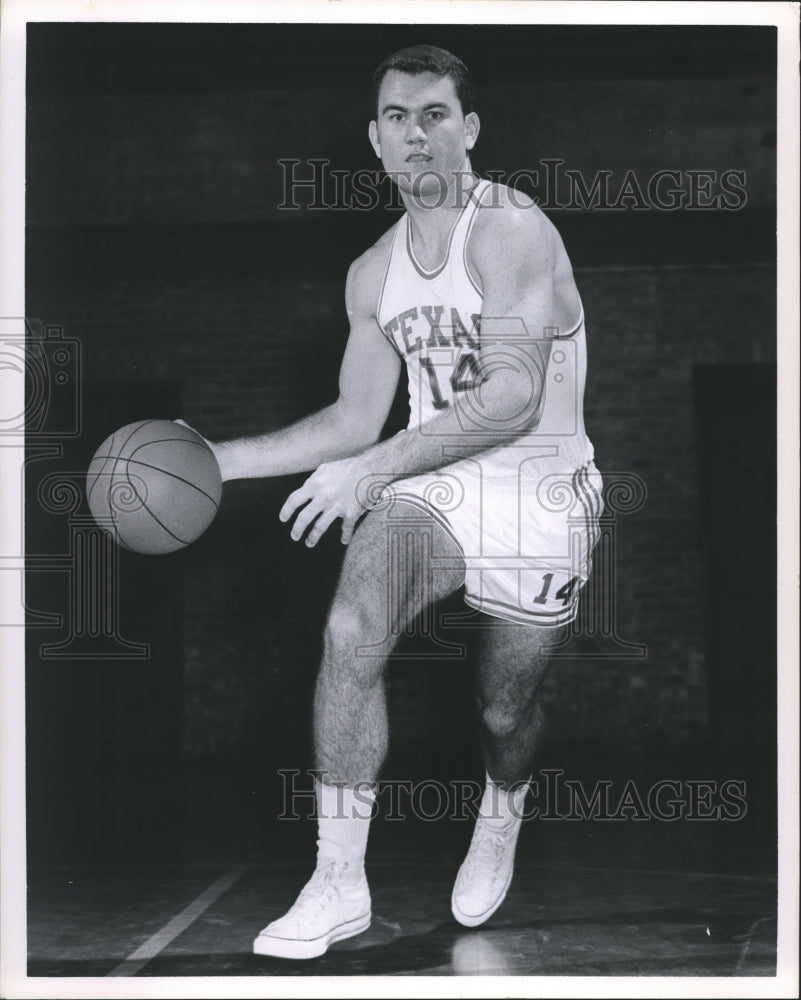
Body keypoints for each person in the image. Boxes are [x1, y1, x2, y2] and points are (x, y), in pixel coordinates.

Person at [201, 44, 603, 959]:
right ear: (373, 140)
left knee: (505, 712)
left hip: (540, 488)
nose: (413, 133)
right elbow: (352, 418)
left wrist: (374, 467)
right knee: (350, 629)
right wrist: (215, 462)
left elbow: (511, 395)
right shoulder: (372, 273)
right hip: (437, 482)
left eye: (433, 114)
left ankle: (501, 811)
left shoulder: (510, 229)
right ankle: (337, 882)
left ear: (468, 130)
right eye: (395, 116)